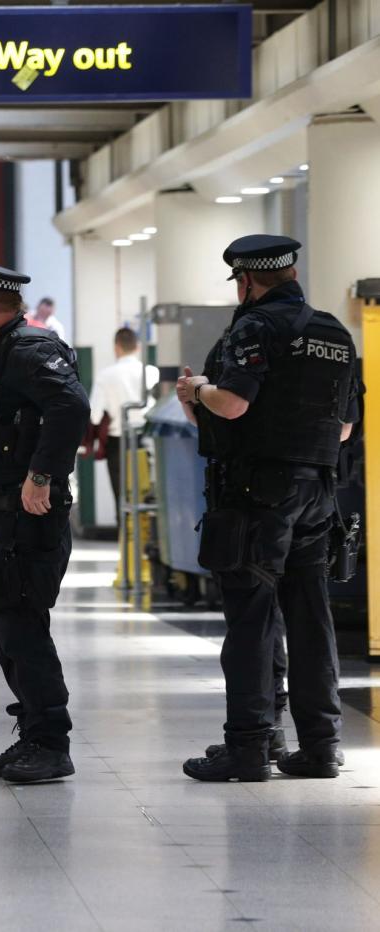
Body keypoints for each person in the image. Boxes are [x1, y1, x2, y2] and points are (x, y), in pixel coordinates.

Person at [178, 235, 359, 782]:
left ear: (248, 280)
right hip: (318, 493)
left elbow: (231, 404)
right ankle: (321, 745)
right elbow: (345, 427)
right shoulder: (335, 333)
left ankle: (251, 746)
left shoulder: (253, 328)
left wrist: (197, 390)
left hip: (258, 493)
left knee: (253, 617)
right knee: (310, 616)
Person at [0, 260, 89, 783]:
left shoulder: (31, 349)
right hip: (7, 510)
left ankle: (52, 741)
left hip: (33, 512)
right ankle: (33, 731)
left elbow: (71, 406)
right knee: (6, 626)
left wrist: (43, 474)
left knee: (21, 625)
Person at [88, 327, 160, 516]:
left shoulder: (105, 376)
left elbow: (94, 415)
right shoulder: (150, 372)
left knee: (122, 498)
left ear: (116, 347)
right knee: (146, 495)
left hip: (117, 443)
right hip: (146, 439)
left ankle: (125, 540)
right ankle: (147, 540)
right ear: (137, 347)